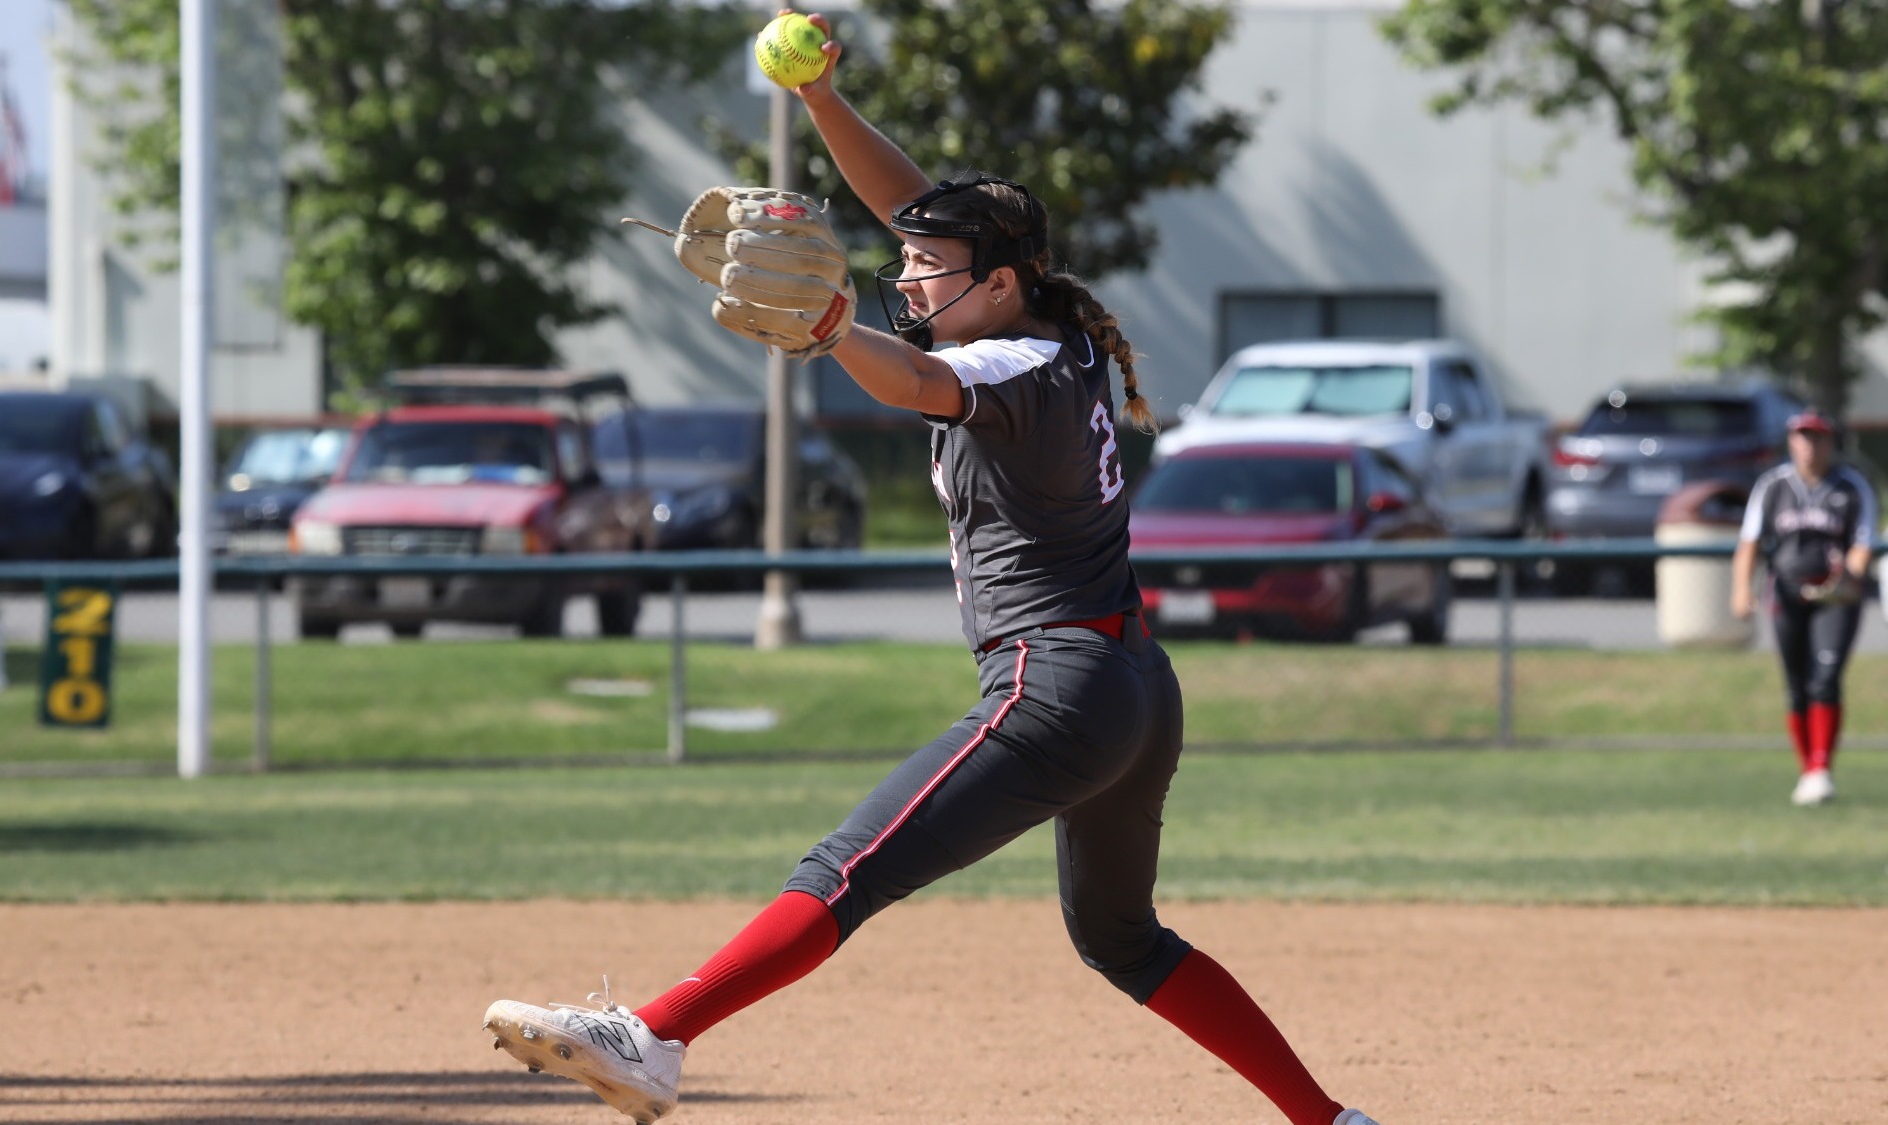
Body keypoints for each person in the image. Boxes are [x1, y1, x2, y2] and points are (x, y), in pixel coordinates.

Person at [482, 13, 1384, 1125]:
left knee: (846, 866)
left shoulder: (1003, 359)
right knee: (1119, 938)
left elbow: (912, 382)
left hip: (1052, 685)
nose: (905, 278)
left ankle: (654, 1035)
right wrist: (818, 102)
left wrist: (828, 331)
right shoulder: (1051, 326)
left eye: (927, 270)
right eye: (903, 266)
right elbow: (917, 213)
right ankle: (1328, 1121)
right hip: (1133, 687)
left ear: (998, 281)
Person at [1730, 409, 1878, 806]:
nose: (1809, 444)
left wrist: (1848, 576)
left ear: (1830, 442)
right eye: (1802, 436)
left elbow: (1864, 543)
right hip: (1787, 593)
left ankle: (1820, 768)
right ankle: (1807, 771)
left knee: (1825, 678)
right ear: (1791, 441)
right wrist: (1742, 589)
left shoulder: (1850, 487)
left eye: (1817, 437)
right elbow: (1750, 543)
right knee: (1796, 685)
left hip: (1835, 597)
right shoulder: (1773, 485)